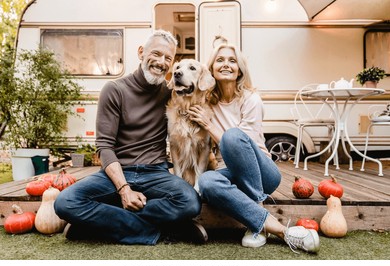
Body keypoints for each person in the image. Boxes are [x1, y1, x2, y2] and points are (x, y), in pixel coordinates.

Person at [54, 30, 207, 245]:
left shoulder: (170, 92)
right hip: (116, 172)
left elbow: (203, 91)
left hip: (155, 173)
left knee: (190, 202)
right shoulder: (114, 89)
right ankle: (166, 229)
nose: (161, 62)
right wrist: (124, 189)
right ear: (141, 52)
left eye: (168, 58)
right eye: (156, 54)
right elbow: (104, 147)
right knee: (65, 202)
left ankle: (97, 225)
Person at [187, 43, 320, 253]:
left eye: (232, 61)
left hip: (262, 172)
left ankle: (256, 212)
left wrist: (209, 125)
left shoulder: (251, 100)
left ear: (240, 69)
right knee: (207, 182)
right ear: (211, 69)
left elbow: (239, 147)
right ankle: (269, 227)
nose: (226, 65)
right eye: (219, 60)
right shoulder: (207, 103)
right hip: (228, 171)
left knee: (232, 137)